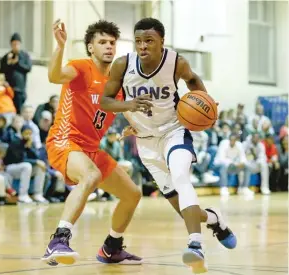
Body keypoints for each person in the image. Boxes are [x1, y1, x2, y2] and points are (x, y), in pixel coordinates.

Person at [101, 17, 236, 274]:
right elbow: (106, 101)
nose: (143, 46)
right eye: (139, 41)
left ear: (162, 41)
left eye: (149, 41)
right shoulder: (122, 65)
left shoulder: (176, 62)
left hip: (174, 132)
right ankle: (215, 220)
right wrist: (128, 105)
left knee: (181, 175)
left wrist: (206, 102)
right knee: (182, 208)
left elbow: (194, 81)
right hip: (145, 141)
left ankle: (195, 245)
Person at [41, 19, 142, 266]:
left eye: (112, 42)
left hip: (91, 149)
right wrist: (60, 46)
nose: (109, 46)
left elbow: (129, 111)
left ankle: (112, 247)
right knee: (90, 175)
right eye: (102, 42)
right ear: (90, 47)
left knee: (132, 194)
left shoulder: (116, 83)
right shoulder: (81, 68)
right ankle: (58, 240)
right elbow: (55, 76)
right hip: (65, 141)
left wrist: (136, 125)